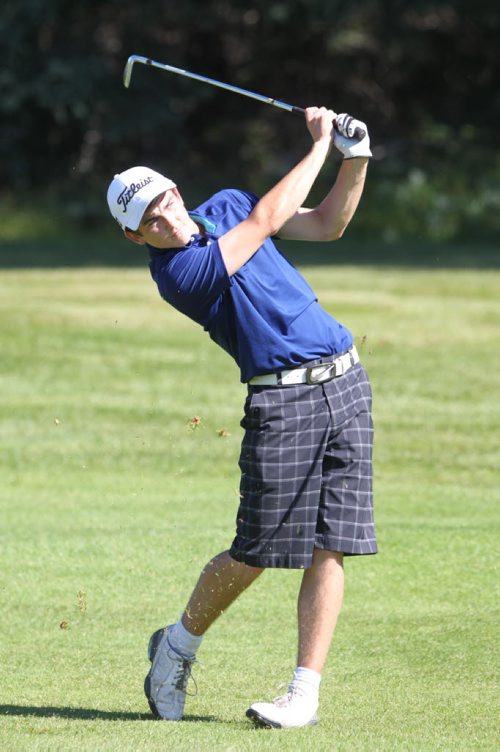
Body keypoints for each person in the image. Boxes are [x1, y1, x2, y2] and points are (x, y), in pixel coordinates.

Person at [106, 107, 377, 729]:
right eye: (148, 221)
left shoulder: (223, 202)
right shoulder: (178, 274)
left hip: (347, 380)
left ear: (175, 189)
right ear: (135, 237)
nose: (165, 219)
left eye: (164, 202)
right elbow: (268, 219)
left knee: (331, 545)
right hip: (282, 402)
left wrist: (356, 157)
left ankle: (303, 693)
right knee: (256, 550)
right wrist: (320, 147)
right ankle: (175, 648)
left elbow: (329, 224)